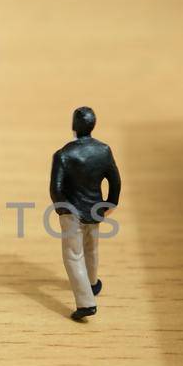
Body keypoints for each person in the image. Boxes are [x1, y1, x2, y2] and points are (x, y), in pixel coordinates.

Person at [49, 106, 121, 322]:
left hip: (73, 212)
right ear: (93, 125)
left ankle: (86, 303)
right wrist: (111, 203)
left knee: (73, 256)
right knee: (92, 249)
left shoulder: (63, 154)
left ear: (74, 126)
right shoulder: (104, 150)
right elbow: (115, 180)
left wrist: (64, 210)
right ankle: (91, 283)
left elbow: (56, 188)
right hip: (95, 209)